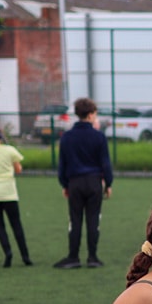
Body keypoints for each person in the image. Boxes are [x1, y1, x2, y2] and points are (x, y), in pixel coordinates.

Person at [54, 97, 113, 269]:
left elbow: (62, 164)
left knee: (75, 220)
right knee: (93, 219)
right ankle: (92, 257)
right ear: (91, 114)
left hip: (75, 182)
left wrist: (65, 184)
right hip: (94, 182)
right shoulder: (99, 137)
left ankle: (73, 257)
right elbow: (105, 163)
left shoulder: (67, 137)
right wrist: (108, 183)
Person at [0, 122, 32, 267]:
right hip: (8, 192)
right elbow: (18, 169)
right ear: (0, 135)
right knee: (16, 224)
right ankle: (25, 256)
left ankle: (8, 252)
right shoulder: (10, 150)